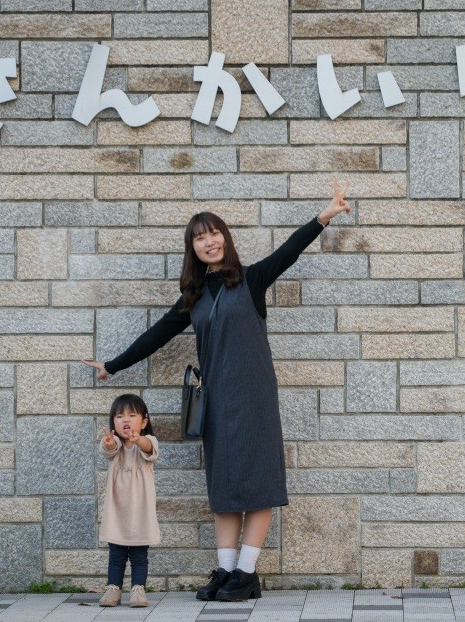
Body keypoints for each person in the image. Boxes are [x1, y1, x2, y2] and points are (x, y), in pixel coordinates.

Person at [81, 180, 352, 602]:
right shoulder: (194, 297)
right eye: (200, 237)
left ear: (225, 237)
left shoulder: (253, 278)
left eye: (214, 233)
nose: (209, 241)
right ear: (193, 249)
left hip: (256, 397)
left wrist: (325, 215)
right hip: (218, 402)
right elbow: (158, 335)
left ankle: (246, 574)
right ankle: (226, 572)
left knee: (258, 483)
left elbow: (290, 250)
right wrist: (112, 366)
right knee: (224, 487)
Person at [98, 393, 160, 608]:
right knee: (116, 553)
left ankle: (138, 590)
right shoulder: (114, 444)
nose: (125, 420)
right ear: (113, 422)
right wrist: (107, 443)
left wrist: (138, 439)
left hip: (140, 510)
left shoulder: (148, 441)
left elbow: (148, 448)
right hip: (117, 511)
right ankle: (113, 588)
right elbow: (108, 450)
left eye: (131, 415)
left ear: (144, 421)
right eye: (119, 416)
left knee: (139, 554)